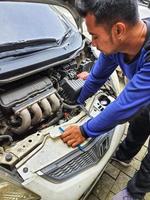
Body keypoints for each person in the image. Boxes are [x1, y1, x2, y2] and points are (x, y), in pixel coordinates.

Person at [60, 0, 150, 199]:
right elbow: (97, 78)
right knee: (141, 116)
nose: (92, 43)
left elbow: (124, 105)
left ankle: (134, 193)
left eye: (94, 36)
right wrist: (77, 102)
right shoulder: (116, 46)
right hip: (146, 91)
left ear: (118, 30)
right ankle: (124, 154)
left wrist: (85, 130)